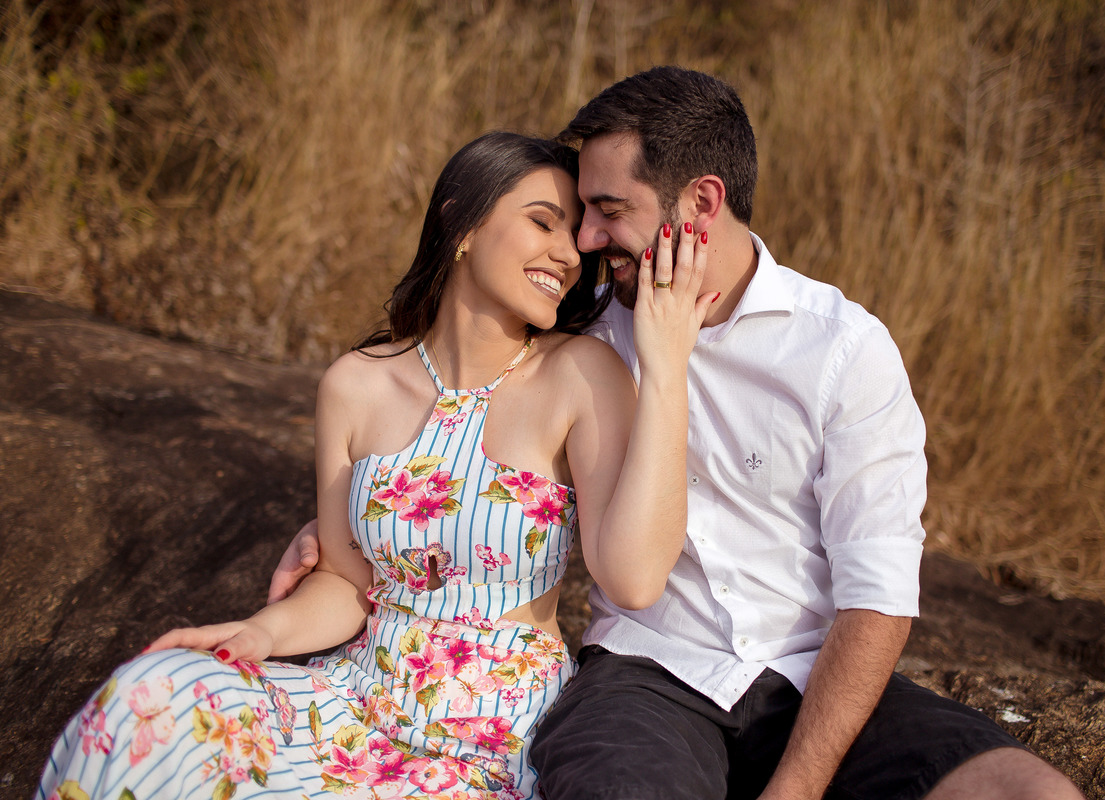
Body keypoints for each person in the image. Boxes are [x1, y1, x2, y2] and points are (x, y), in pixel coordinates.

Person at [273, 69, 1085, 800]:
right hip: (647, 672)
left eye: (609, 211)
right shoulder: (586, 330)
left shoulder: (842, 350)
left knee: (1029, 792)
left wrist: (796, 788)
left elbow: (878, 595)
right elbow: (465, 424)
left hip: (807, 671)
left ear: (701, 202)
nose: (586, 242)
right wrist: (347, 527)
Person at [37, 131, 716, 800]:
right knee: (150, 696)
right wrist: (259, 633)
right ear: (462, 224)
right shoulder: (355, 383)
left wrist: (666, 365)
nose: (568, 254)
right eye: (543, 222)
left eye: (575, 237)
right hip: (356, 698)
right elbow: (345, 580)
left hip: (491, 735)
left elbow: (634, 578)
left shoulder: (581, 374)